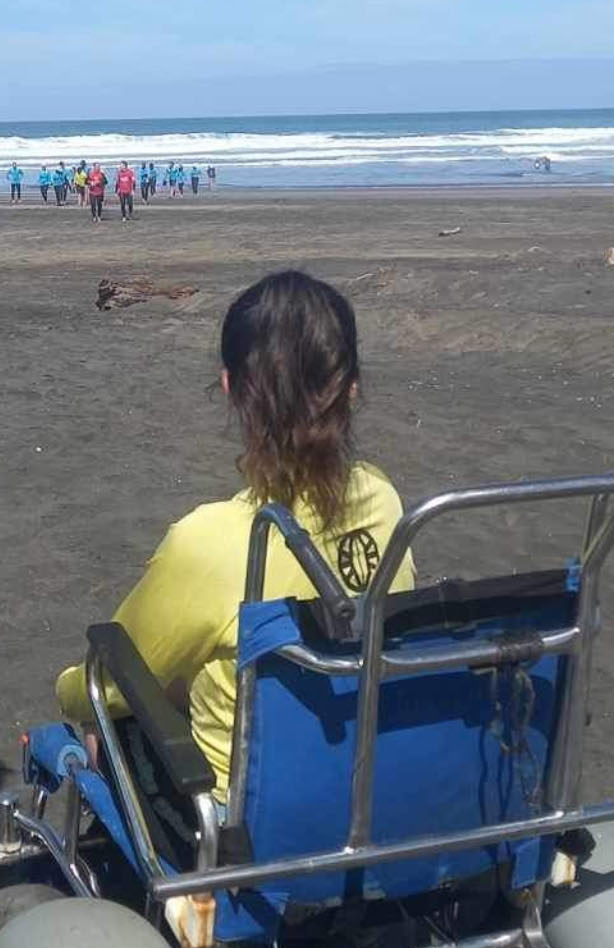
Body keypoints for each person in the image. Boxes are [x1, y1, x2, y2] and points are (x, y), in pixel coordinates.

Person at [53, 271, 415, 799]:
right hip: (365, 786)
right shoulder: (384, 500)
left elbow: (104, 684)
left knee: (105, 713)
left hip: (246, 822)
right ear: (352, 387)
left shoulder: (213, 543)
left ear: (230, 387)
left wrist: (67, 691)